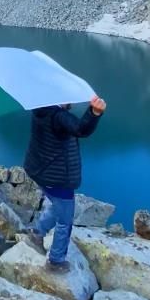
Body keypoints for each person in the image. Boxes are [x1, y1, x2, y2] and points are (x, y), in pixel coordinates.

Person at [23, 95, 107, 272]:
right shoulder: (58, 116)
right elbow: (81, 129)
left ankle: (36, 233)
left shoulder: (39, 106)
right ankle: (56, 261)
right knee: (65, 220)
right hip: (58, 178)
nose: (73, 101)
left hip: (40, 172)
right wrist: (94, 112)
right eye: (70, 97)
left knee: (57, 205)